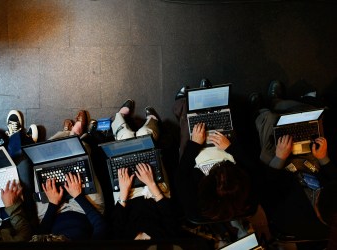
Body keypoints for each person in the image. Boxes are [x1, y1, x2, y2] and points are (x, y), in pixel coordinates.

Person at [250, 80, 333, 241]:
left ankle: (261, 112)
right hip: (313, 167)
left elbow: (268, 188)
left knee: (269, 129)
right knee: (315, 120)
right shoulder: (332, 204)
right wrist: (324, 157)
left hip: (282, 172)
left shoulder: (291, 219)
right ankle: (277, 103)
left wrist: (280, 157)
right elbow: (333, 176)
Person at [173, 81, 257, 223]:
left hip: (195, 157)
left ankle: (183, 102)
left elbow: (181, 173)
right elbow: (253, 167)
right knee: (228, 125)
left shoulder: (193, 202)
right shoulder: (249, 197)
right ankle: (213, 101)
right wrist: (230, 148)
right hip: (227, 149)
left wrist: (194, 144)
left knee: (189, 125)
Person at [109, 99, 179, 240]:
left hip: (127, 195)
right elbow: (170, 213)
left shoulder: (122, 241)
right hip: (155, 193)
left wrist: (124, 192)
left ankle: (119, 119)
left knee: (125, 137)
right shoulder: (164, 240)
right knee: (144, 135)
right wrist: (151, 183)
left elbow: (115, 222)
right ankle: (153, 122)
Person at [35, 172, 108, 241]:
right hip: (85, 212)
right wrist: (78, 196)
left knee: (41, 174)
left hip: (52, 215)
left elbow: (42, 232)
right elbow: (100, 225)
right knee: (85, 167)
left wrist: (53, 204)